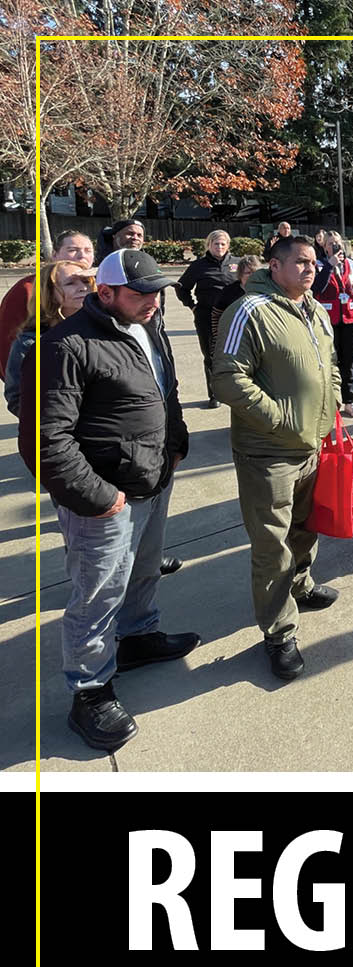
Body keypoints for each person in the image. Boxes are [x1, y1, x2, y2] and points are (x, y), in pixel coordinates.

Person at [38, 248, 197, 751]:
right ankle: (89, 689)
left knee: (144, 569)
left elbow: (165, 393)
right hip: (104, 498)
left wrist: (177, 444)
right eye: (140, 293)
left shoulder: (148, 326)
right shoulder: (68, 345)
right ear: (103, 293)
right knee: (97, 594)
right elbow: (50, 439)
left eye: (156, 291)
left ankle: (138, 636)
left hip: (153, 477)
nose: (152, 301)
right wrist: (99, 497)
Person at [211, 235, 341, 683]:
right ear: (275, 265)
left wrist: (331, 408)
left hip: (313, 445)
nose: (311, 270)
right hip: (268, 453)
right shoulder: (249, 311)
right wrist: (282, 419)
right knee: (272, 544)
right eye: (301, 262)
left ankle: (300, 586)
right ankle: (279, 631)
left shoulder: (315, 309)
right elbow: (227, 379)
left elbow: (331, 366)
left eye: (314, 263)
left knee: (306, 527)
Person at [9, 260, 94, 432]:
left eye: (86, 281)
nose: (82, 288)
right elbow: (17, 397)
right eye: (70, 283)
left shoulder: (105, 329)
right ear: (49, 293)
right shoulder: (30, 344)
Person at [0, 228, 94, 370]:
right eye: (73, 249)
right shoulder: (26, 288)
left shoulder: (100, 290)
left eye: (88, 250)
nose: (82, 256)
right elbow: (8, 340)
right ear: (54, 254)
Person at [173, 228, 235, 408]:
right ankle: (214, 394)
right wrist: (192, 306)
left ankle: (235, 391)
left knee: (237, 353)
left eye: (223, 244)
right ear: (209, 245)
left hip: (233, 316)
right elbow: (181, 287)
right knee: (211, 355)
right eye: (216, 244)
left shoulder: (237, 264)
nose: (220, 247)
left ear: (228, 245)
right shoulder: (198, 266)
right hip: (206, 316)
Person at [312, 230, 353, 418]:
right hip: (328, 322)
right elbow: (315, 290)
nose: (335, 246)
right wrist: (330, 266)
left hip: (352, 319)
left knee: (349, 362)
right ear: (324, 247)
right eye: (330, 244)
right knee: (329, 363)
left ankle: (349, 401)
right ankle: (330, 402)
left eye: (337, 243)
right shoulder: (319, 266)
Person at [210, 254, 262, 343]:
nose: (252, 276)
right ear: (240, 274)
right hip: (235, 336)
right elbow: (216, 315)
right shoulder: (229, 291)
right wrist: (218, 337)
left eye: (255, 272)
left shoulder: (265, 289)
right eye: (248, 273)